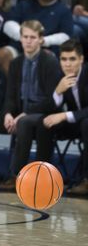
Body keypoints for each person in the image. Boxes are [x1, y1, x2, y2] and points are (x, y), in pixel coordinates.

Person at [0, 20, 61, 189]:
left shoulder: (50, 62)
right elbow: (10, 96)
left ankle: (17, 175)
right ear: (20, 39)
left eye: (32, 37)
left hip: (41, 114)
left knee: (24, 122)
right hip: (18, 113)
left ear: (40, 40)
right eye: (25, 37)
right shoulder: (16, 63)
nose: (28, 41)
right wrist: (8, 113)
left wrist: (26, 113)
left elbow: (52, 100)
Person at [35, 39, 88, 195]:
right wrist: (58, 92)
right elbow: (46, 107)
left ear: (81, 59)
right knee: (44, 122)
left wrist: (64, 115)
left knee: (87, 123)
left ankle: (86, 180)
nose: (67, 64)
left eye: (72, 59)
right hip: (74, 124)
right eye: (63, 59)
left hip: (84, 122)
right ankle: (43, 177)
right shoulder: (59, 74)